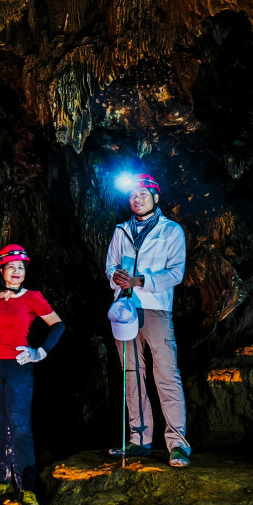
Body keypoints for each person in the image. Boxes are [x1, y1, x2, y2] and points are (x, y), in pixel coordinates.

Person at [105, 173, 191, 468]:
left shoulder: (171, 231)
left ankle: (177, 444)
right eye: (132, 196)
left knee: (166, 375)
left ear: (156, 196)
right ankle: (139, 439)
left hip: (155, 308)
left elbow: (176, 273)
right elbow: (110, 266)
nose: (136, 199)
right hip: (125, 311)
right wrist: (116, 279)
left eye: (142, 194)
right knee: (132, 373)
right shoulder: (121, 231)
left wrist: (142, 280)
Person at [0, 244, 66, 505]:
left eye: (21, 267)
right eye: (11, 267)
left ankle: (27, 487)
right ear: (1, 270)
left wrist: (40, 352)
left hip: (18, 366)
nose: (16, 271)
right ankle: (2, 478)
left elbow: (58, 325)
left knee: (20, 425)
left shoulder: (33, 298)